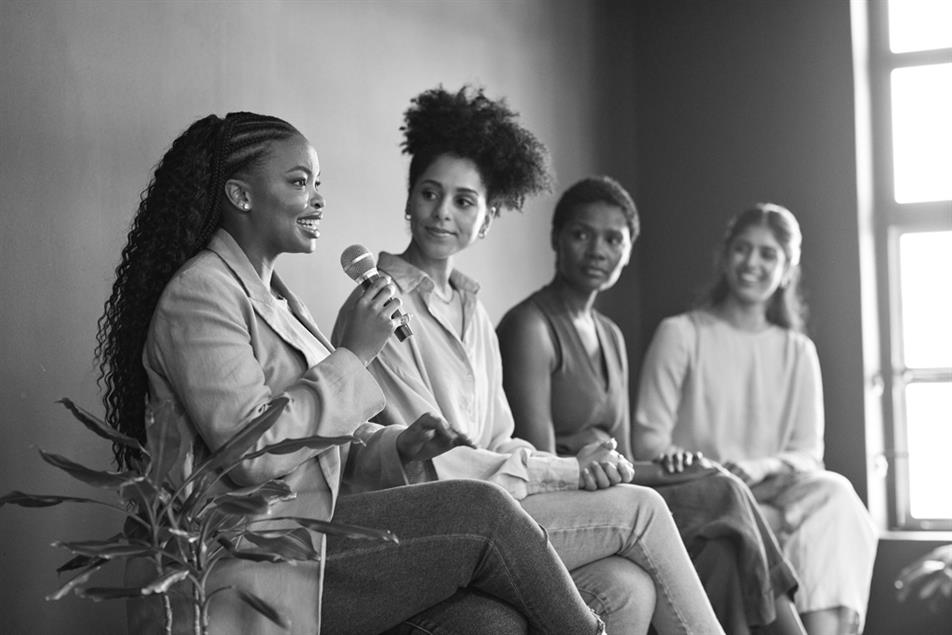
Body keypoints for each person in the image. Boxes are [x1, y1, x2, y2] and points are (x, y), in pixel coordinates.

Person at [95, 111, 610, 635]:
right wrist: (354, 355)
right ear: (240, 195)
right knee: (486, 510)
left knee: (490, 624)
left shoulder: (279, 299)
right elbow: (250, 453)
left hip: (311, 541)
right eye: (299, 182)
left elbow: (318, 445)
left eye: (318, 183)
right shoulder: (201, 292)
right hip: (247, 560)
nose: (318, 199)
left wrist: (397, 448)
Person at [333, 85, 724, 635]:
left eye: (464, 201)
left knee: (625, 588)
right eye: (429, 193)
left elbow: (496, 439)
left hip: (495, 507)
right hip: (434, 523)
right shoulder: (379, 304)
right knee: (642, 510)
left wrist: (582, 461)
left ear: (487, 219)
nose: (442, 213)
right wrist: (567, 469)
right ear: (408, 199)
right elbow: (434, 463)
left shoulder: (473, 310)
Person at [497, 176, 807, 635]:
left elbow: (622, 456)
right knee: (720, 485)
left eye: (613, 239)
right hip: (565, 495)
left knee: (723, 547)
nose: (597, 250)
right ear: (556, 239)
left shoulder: (610, 335)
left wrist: (667, 463)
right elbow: (541, 466)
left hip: (613, 487)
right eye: (582, 234)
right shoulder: (530, 325)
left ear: (628, 249)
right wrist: (668, 473)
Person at [633, 203, 878, 635]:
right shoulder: (681, 334)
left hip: (776, 496)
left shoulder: (798, 350)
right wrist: (710, 471)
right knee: (815, 528)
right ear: (725, 257)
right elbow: (650, 442)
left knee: (838, 497)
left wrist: (758, 468)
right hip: (706, 499)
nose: (753, 263)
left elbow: (808, 454)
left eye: (768, 254)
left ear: (786, 270)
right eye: (743, 249)